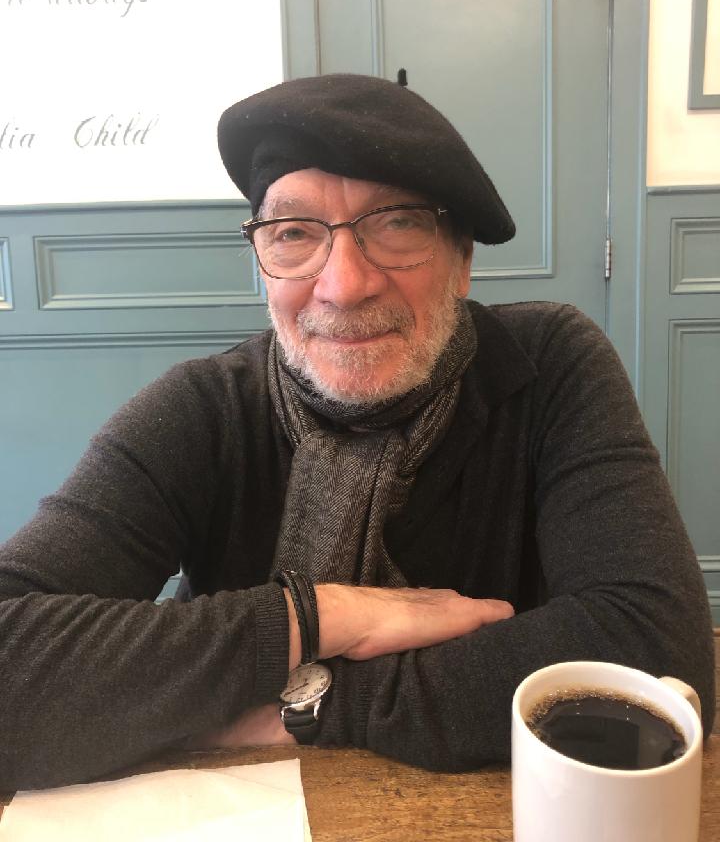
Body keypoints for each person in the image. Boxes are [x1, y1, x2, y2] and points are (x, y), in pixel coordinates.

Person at [0, 74, 714, 791]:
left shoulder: (549, 365)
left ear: (462, 259)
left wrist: (317, 705)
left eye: (396, 224)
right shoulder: (204, 408)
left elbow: (657, 652)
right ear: (263, 262)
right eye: (293, 234)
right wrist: (318, 614)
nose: (343, 285)